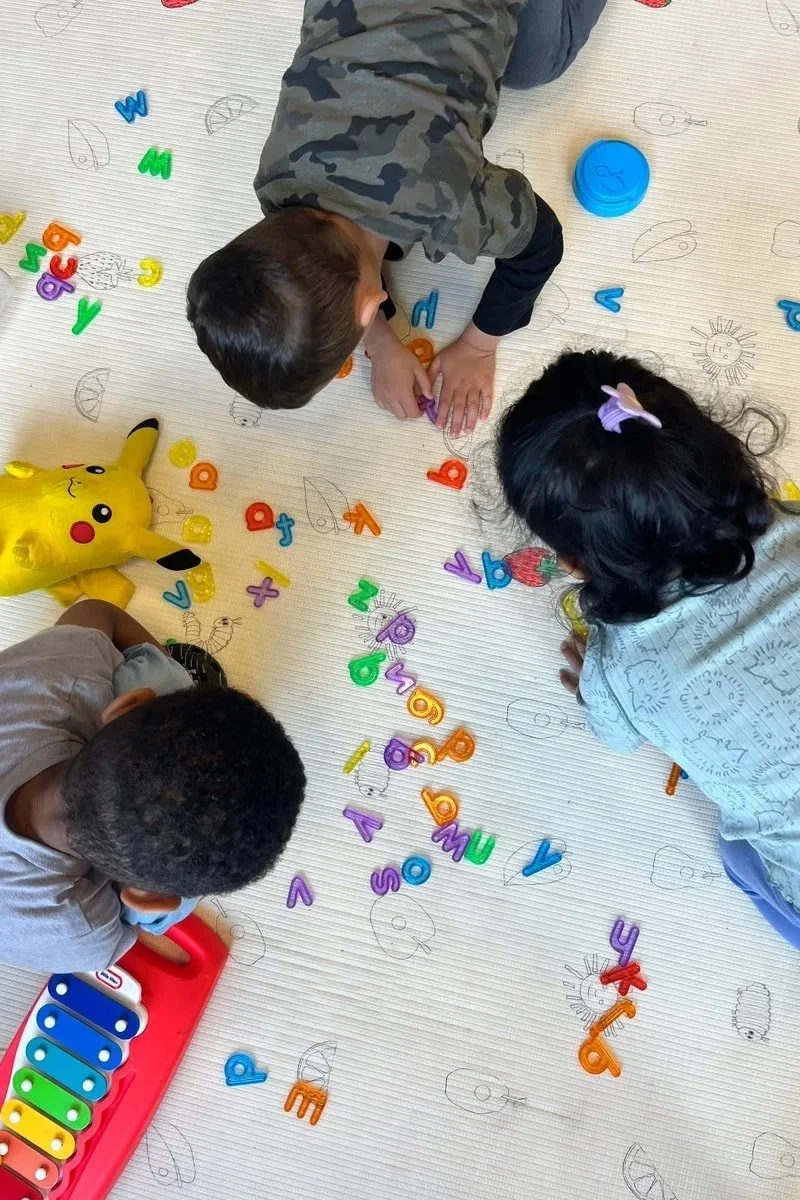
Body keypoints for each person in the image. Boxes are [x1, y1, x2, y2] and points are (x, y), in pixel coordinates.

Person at [187, 0, 607, 438]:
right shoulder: (275, 179)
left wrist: (478, 347)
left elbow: (540, 243)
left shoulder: (445, 204)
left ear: (373, 305)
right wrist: (382, 343)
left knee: (534, 64)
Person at [498, 348, 800, 948]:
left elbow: (617, 737)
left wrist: (597, 686)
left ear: (574, 563)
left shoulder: (620, 666)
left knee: (739, 855)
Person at [0, 600, 306, 973]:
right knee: (180, 895)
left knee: (168, 684)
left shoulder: (55, 683)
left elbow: (100, 611)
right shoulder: (78, 931)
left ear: (125, 706)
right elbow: (118, 933)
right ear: (145, 897)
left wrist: (166, 669)